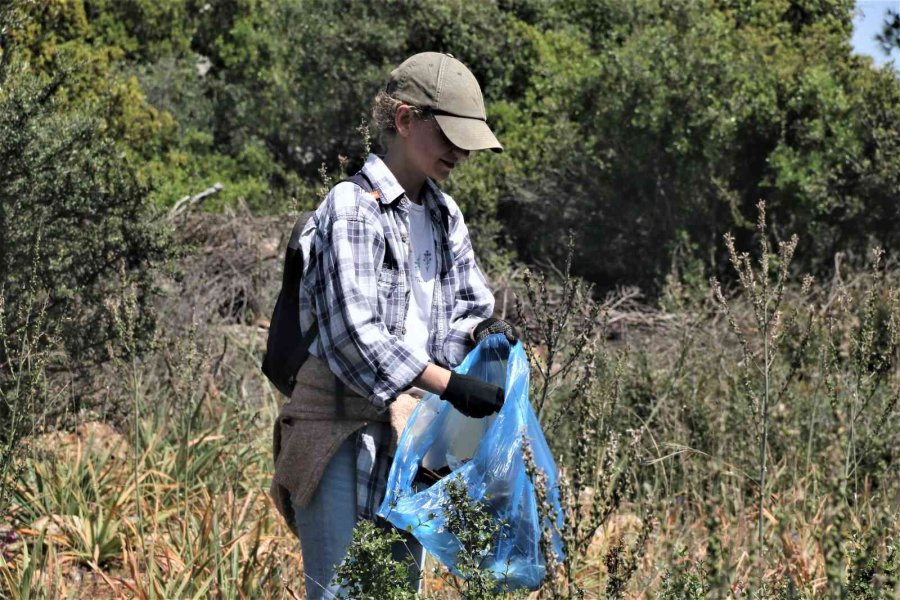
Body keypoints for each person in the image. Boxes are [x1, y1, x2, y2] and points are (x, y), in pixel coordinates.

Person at [269, 52, 517, 599]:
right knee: (341, 591)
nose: (460, 152)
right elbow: (356, 337)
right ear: (404, 121)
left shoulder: (443, 215)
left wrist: (482, 334)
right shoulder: (351, 208)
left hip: (410, 439)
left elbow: (465, 306)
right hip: (339, 434)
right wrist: (452, 386)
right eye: (448, 134)